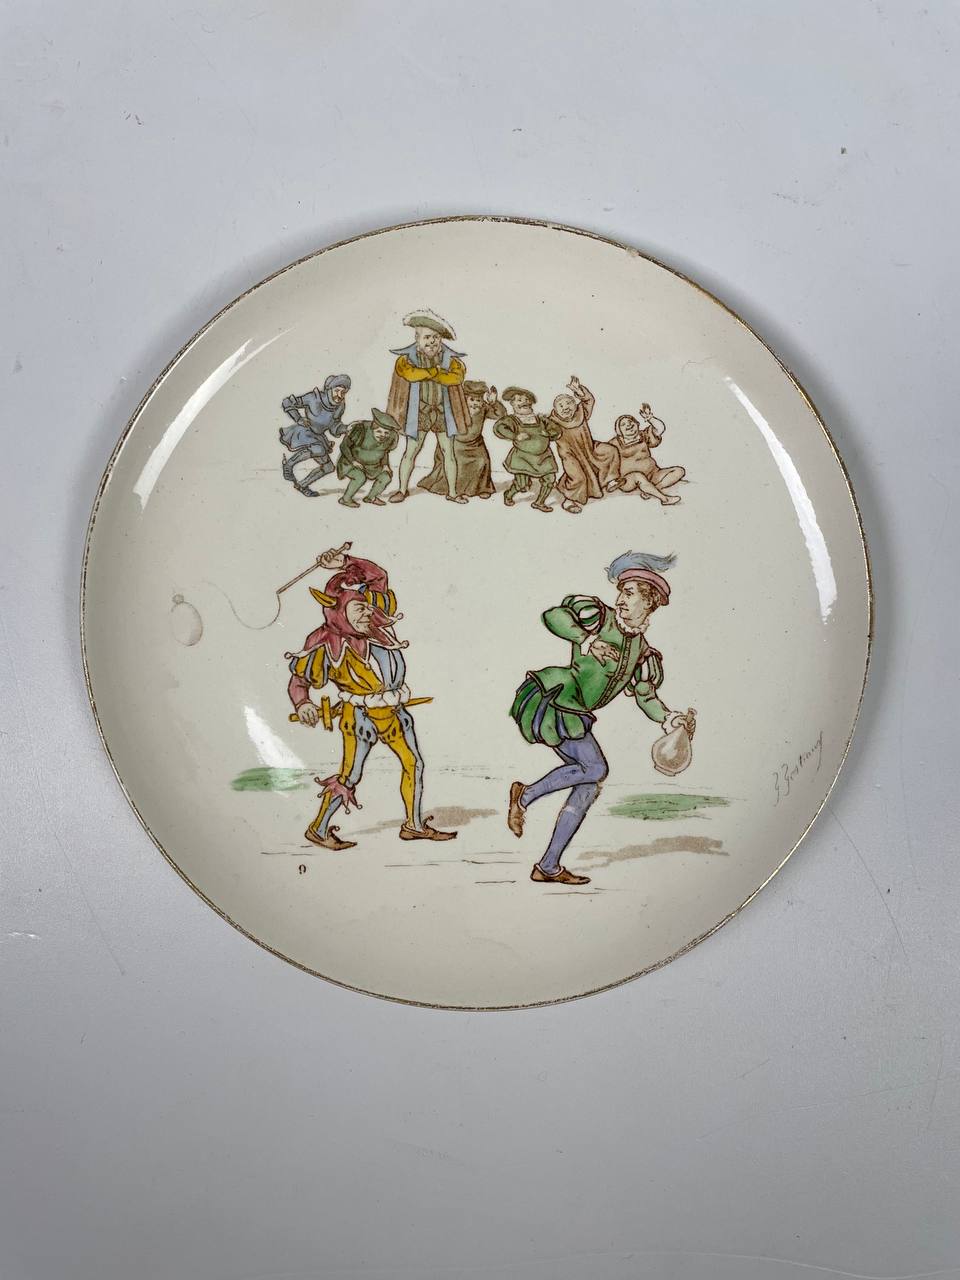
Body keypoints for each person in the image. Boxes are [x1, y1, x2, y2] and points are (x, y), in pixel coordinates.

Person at [507, 552, 696, 884]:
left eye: (630, 594)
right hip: (556, 699)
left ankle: (548, 866)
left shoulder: (643, 653)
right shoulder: (597, 617)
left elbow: (646, 696)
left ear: (649, 602)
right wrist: (587, 639)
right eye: (621, 592)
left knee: (588, 786)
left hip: (577, 713)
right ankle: (524, 795)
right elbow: (553, 616)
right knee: (596, 768)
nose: (621, 600)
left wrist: (671, 719)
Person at [286, 546, 456, 849]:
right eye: (358, 609)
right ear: (339, 611)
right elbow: (299, 681)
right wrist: (304, 703)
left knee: (413, 763)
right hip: (359, 718)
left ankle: (413, 825)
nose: (367, 612)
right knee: (350, 775)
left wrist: (345, 562)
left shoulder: (377, 630)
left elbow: (378, 578)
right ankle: (319, 829)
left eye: (367, 607)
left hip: (394, 714)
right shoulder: (325, 642)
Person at [385, 310, 469, 504]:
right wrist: (435, 372)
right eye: (427, 337)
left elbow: (456, 377)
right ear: (417, 337)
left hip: (443, 412)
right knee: (411, 452)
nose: (432, 341)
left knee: (449, 452)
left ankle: (453, 493)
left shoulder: (451, 359)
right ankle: (402, 490)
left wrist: (430, 374)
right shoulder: (405, 359)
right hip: (419, 413)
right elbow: (410, 374)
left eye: (436, 337)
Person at [418, 380, 502, 499]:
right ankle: (454, 489)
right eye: (472, 399)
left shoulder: (484, 408)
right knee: (454, 460)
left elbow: (500, 415)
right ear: (465, 398)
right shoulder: (458, 407)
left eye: (478, 400)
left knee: (483, 460)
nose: (475, 403)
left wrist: (494, 403)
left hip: (475, 445)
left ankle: (481, 488)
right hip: (456, 443)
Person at [279, 373, 351, 496]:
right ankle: (289, 464)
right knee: (318, 449)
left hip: (318, 437)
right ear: (329, 389)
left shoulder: (340, 406)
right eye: (337, 391)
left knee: (328, 467)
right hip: (305, 431)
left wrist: (346, 428)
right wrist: (298, 418)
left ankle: (302, 485)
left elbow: (334, 426)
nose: (340, 395)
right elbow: (287, 402)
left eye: (343, 392)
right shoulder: (314, 397)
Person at [595, 406, 685, 504]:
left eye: (631, 421)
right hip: (629, 479)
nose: (628, 424)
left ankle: (653, 489)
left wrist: (650, 418)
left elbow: (660, 429)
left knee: (679, 471)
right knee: (639, 476)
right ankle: (665, 499)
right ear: (619, 431)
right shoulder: (614, 443)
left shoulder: (643, 435)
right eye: (623, 424)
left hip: (652, 474)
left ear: (637, 424)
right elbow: (604, 459)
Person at [493, 387, 562, 513]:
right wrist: (515, 436)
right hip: (522, 458)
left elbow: (556, 430)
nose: (524, 402)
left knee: (550, 480)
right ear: (512, 403)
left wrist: (548, 433)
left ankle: (539, 502)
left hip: (544, 457)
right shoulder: (512, 419)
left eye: (527, 400)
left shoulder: (540, 419)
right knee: (521, 484)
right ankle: (509, 494)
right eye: (519, 400)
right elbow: (499, 428)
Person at [549, 375, 606, 514]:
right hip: (569, 455)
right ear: (555, 410)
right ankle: (569, 500)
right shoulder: (552, 422)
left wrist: (579, 391)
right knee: (578, 477)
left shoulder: (581, 413)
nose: (565, 407)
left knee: (610, 451)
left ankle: (610, 481)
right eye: (561, 406)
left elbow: (589, 400)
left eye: (568, 403)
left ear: (575, 405)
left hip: (588, 450)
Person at [335, 408, 400, 508]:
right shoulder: (361, 430)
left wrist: (385, 465)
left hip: (372, 466)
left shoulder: (391, 437)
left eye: (386, 433)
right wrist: (353, 461)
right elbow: (344, 446)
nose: (382, 435)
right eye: (379, 431)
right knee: (360, 477)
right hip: (350, 463)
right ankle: (345, 499)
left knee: (386, 476)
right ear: (373, 428)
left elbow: (385, 452)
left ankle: (371, 498)